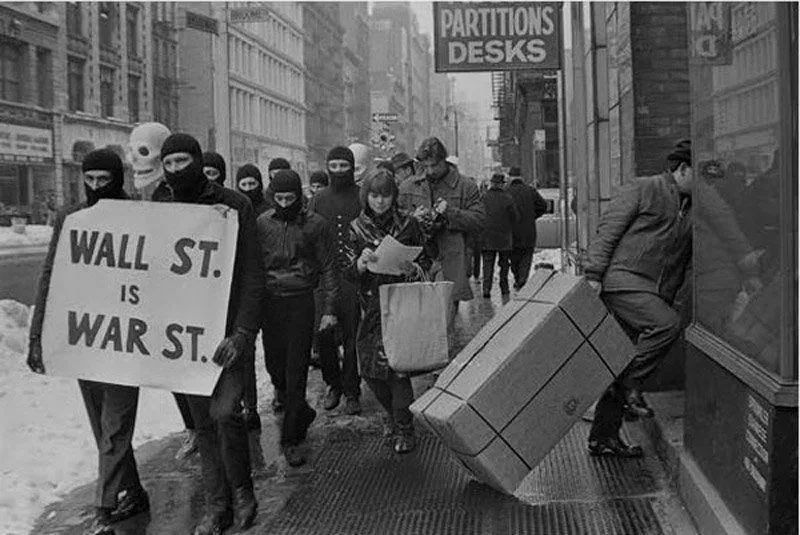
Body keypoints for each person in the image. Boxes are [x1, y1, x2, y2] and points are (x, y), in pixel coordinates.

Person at [28, 149, 149, 533]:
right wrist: (37, 336)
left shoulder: (143, 217)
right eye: (90, 180)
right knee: (102, 425)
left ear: (118, 179)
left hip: (127, 337)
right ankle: (132, 490)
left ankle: (104, 505)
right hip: (88, 336)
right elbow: (52, 275)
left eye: (104, 180)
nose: (97, 187)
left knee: (115, 423)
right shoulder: (71, 219)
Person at [153, 133, 263, 534]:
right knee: (203, 423)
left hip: (226, 331)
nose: (177, 169)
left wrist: (243, 333)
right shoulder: (159, 204)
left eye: (183, 161)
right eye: (170, 163)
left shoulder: (235, 205)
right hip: (183, 335)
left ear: (198, 161)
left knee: (225, 413)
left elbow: (253, 274)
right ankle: (217, 506)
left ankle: (243, 494)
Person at [584, 139, 695, 458]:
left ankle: (603, 438)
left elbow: (725, 229)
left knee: (621, 360)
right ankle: (631, 385)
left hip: (654, 292)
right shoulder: (644, 188)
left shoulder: (692, 206)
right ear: (682, 169)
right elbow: (609, 230)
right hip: (623, 280)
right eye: (698, 173)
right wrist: (593, 274)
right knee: (667, 325)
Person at [256, 169, 337, 466]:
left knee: (295, 371)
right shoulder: (262, 224)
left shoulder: (316, 225)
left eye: (290, 198)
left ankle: (292, 438)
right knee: (274, 366)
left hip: (301, 301)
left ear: (299, 198)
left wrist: (329, 309)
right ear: (271, 197)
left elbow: (329, 267)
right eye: (279, 198)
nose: (285, 203)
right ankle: (300, 410)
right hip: (271, 303)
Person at [347, 169, 431, 454]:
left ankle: (405, 428)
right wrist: (359, 264)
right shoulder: (356, 227)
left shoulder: (408, 224)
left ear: (393, 196)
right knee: (371, 371)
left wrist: (413, 268)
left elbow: (426, 257)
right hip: (370, 307)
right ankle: (394, 415)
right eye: (374, 195)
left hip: (401, 303)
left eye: (385, 195)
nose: (380, 201)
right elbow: (347, 270)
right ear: (366, 196)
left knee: (398, 371)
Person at [399, 137, 485, 312]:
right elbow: (395, 218)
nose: (430, 171)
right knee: (417, 318)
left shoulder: (465, 186)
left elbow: (479, 220)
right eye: (426, 166)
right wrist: (412, 218)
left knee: (444, 321)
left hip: (450, 259)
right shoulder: (408, 186)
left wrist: (450, 213)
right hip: (418, 261)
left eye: (434, 165)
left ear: (444, 160)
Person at [309, 146, 363, 414]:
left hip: (353, 278)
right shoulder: (318, 198)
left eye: (344, 166)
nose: (339, 171)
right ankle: (333, 384)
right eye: (335, 166)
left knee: (353, 337)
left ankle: (353, 389)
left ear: (352, 168)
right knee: (323, 336)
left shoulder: (361, 196)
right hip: (324, 278)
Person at [507, 167, 548, 290]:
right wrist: (533, 216)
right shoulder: (530, 191)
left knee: (514, 258)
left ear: (510, 177)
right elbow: (543, 206)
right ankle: (522, 279)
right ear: (521, 177)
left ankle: (517, 278)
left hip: (511, 232)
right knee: (526, 257)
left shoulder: (506, 192)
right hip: (528, 231)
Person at [480, 172, 519, 298]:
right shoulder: (508, 198)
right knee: (504, 264)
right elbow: (515, 217)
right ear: (502, 184)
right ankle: (504, 287)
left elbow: (478, 215)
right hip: (504, 237)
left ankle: (486, 289)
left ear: (492, 183)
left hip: (487, 237)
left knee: (487, 264)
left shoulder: (484, 197)